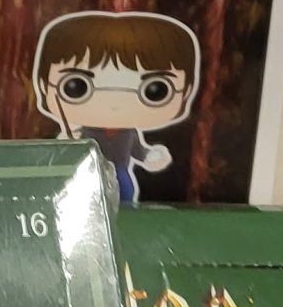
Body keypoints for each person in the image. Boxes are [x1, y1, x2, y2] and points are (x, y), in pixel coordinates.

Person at [32, 11, 198, 202]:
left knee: (125, 196)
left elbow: (138, 151)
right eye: (76, 86)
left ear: (186, 92)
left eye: (155, 91)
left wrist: (151, 156)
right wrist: (67, 145)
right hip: (89, 173)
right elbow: (71, 152)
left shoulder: (129, 133)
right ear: (44, 86)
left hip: (120, 173)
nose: (114, 105)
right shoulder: (84, 132)